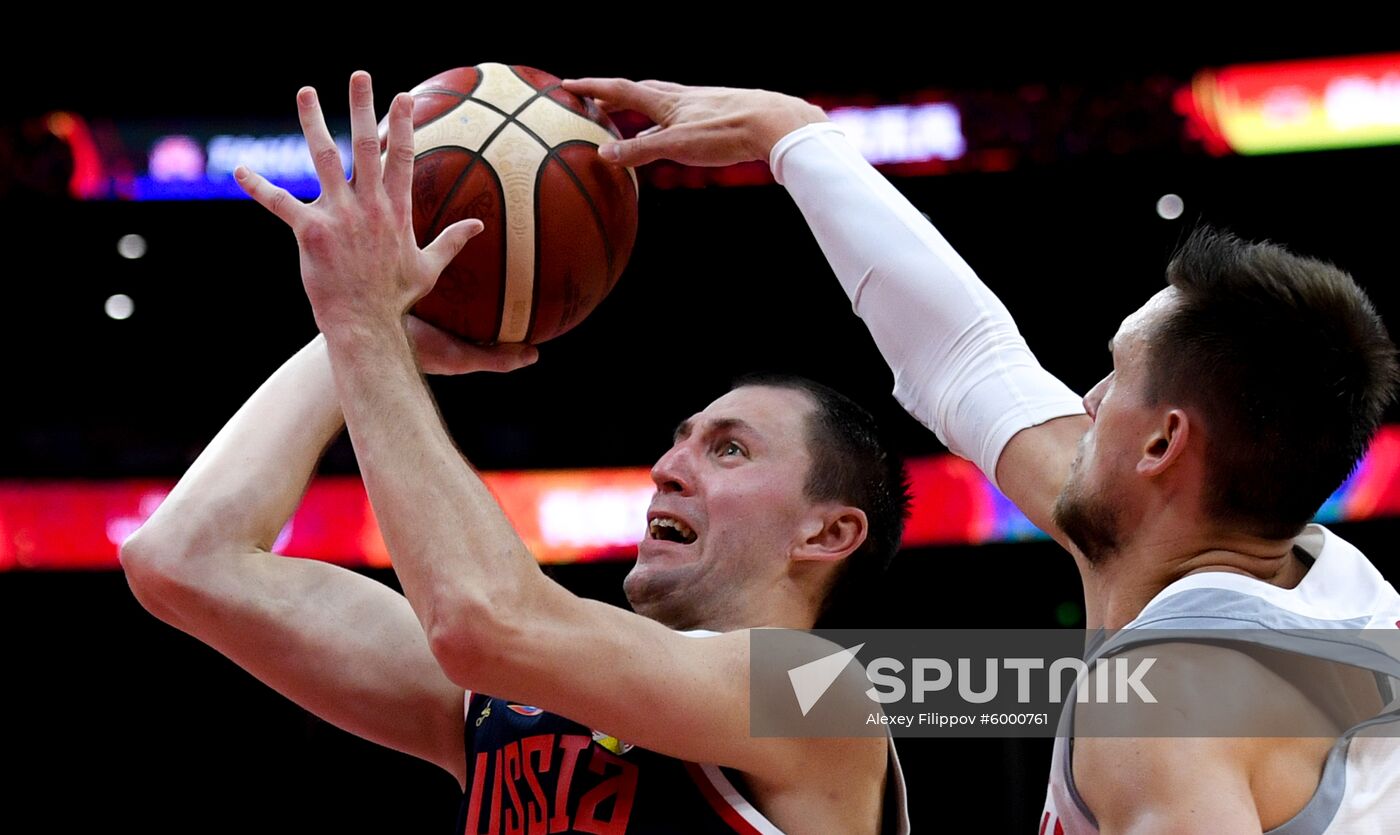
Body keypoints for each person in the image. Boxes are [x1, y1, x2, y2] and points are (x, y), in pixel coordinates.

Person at [560, 76, 1400, 833]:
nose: (1084, 401)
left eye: (1113, 376)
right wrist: (793, 136)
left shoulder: (1167, 707)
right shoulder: (1306, 581)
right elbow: (966, 358)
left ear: (1162, 444)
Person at [118, 71, 912, 834]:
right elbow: (183, 558)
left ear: (827, 533)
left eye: (730, 449)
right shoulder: (513, 701)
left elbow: (481, 620)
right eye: (680, 441)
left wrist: (365, 320)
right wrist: (359, 340)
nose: (669, 468)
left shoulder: (818, 697)